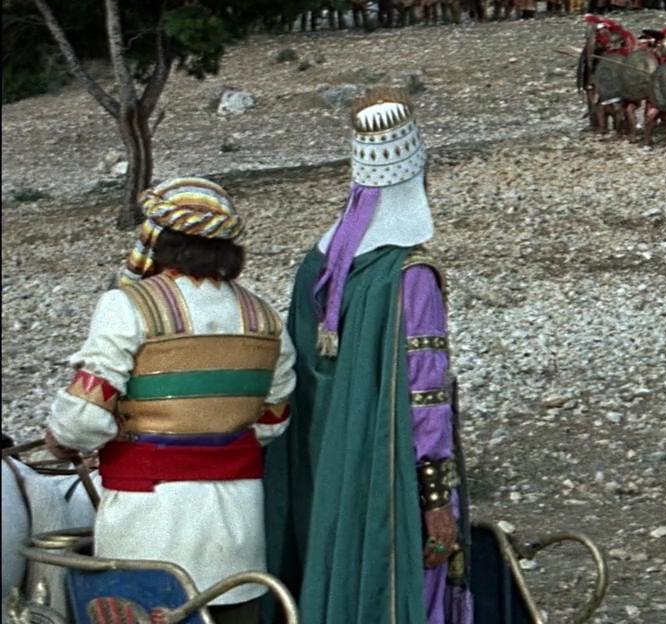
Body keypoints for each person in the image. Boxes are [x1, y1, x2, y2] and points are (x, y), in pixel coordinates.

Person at [41, 179, 294, 624]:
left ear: (159, 239)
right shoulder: (264, 316)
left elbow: (85, 413)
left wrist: (61, 440)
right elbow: (273, 420)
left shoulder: (129, 306)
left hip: (149, 517)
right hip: (238, 521)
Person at [265, 92, 472, 624]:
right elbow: (424, 397)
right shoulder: (410, 275)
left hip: (324, 480)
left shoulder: (316, 267)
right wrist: (436, 500)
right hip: (389, 479)